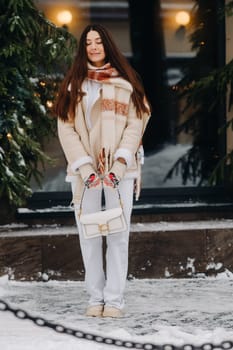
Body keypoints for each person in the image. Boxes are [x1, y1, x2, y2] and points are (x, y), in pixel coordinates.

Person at [53, 23, 151, 318]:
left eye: (98, 42)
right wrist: (85, 167)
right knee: (90, 234)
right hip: (86, 172)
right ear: (83, 49)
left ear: (107, 45)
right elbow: (66, 128)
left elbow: (137, 122)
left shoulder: (125, 82)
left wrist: (120, 162)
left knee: (119, 235)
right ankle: (95, 297)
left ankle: (115, 299)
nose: (94, 47)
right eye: (88, 43)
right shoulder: (74, 85)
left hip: (119, 169)